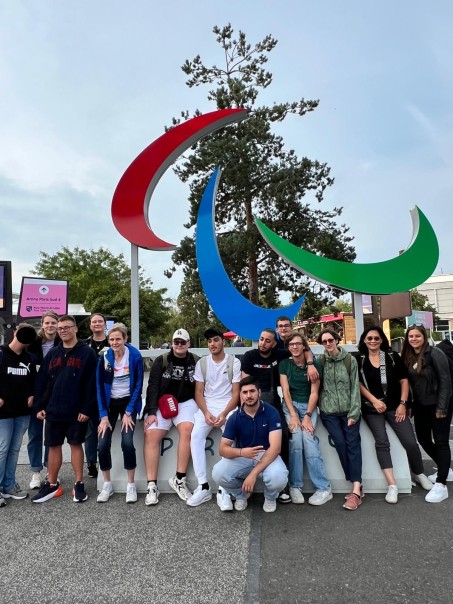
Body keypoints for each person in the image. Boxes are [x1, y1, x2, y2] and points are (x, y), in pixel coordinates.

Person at [241, 327, 319, 504]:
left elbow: (304, 349)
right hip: (252, 401)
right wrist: (243, 407)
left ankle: (283, 485)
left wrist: (311, 363)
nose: (263, 343)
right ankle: (245, 484)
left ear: (274, 343)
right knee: (246, 435)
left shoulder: (280, 354)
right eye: (261, 339)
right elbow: (244, 384)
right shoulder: (249, 356)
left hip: (274, 401)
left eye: (268, 340)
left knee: (284, 435)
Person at [358, 326, 432, 503]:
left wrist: (402, 404)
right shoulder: (359, 359)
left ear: (382, 340)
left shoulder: (391, 357)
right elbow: (358, 384)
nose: (373, 341)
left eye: (376, 338)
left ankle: (419, 472)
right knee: (382, 442)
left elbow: (404, 381)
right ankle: (392, 485)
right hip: (372, 408)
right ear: (364, 341)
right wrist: (375, 401)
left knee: (410, 441)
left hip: (394, 406)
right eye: (370, 339)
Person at [31, 315, 98, 504]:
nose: (63, 331)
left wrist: (86, 408)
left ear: (76, 329)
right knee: (53, 445)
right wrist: (39, 406)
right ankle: (52, 484)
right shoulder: (53, 354)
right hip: (53, 409)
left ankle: (79, 483)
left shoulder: (87, 353)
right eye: (60, 328)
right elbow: (41, 381)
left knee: (76, 444)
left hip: (77, 410)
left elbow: (91, 384)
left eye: (66, 327)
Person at [212, 376, 288, 513]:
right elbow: (222, 449)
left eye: (252, 391)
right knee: (218, 473)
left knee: (279, 477)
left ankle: (270, 497)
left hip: (267, 454)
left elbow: (276, 448)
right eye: (245, 392)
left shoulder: (271, 412)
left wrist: (252, 475)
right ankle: (242, 495)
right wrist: (241, 452)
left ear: (259, 392)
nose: (249, 395)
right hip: (244, 456)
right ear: (240, 395)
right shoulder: (234, 417)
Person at [143, 329, 199, 506]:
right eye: (176, 342)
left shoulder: (196, 361)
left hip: (186, 402)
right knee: (151, 434)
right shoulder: (162, 360)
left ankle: (179, 479)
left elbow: (202, 387)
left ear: (189, 344)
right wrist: (151, 411)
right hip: (163, 402)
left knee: (188, 430)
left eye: (183, 342)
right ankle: (152, 485)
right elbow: (152, 386)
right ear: (172, 343)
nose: (179, 345)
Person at [187, 328, 240, 509]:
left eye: (216, 340)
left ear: (223, 342)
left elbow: (236, 394)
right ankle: (203, 485)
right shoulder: (202, 363)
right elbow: (198, 393)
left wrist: (224, 414)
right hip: (207, 407)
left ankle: (224, 488)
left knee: (231, 440)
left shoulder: (234, 362)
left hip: (228, 407)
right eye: (209, 341)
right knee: (195, 436)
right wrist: (206, 412)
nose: (212, 344)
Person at [279, 330, 332, 506]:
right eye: (291, 344)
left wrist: (308, 416)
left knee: (309, 440)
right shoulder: (285, 364)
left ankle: (324, 488)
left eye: (298, 344)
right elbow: (285, 391)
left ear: (304, 346)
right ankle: (295, 486)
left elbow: (314, 392)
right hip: (290, 406)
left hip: (309, 407)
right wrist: (293, 415)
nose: (294, 347)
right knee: (296, 440)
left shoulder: (314, 366)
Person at [401, 325, 452, 503]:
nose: (413, 339)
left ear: (424, 337)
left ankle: (441, 484)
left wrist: (442, 407)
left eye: (417, 336)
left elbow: (445, 381)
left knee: (441, 441)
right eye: (410, 336)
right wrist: (409, 404)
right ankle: (445, 467)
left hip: (439, 404)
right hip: (421, 406)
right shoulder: (408, 355)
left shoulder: (435, 353)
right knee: (423, 439)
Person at [96, 323, 144, 504]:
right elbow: (99, 387)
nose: (115, 342)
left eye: (118, 339)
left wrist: (129, 411)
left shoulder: (135, 356)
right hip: (109, 404)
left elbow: (139, 385)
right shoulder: (104, 358)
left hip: (128, 402)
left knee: (127, 442)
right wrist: (103, 415)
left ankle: (130, 485)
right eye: (112, 339)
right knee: (102, 444)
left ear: (125, 339)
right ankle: (107, 484)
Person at [316, 328, 363, 510]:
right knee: (341, 445)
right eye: (324, 341)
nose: (328, 344)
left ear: (337, 340)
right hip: (329, 413)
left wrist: (354, 413)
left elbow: (354, 388)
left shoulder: (349, 360)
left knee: (353, 445)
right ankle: (356, 483)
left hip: (348, 411)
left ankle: (356, 489)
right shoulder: (320, 361)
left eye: (330, 340)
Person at [0, 324, 37, 507]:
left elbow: (33, 381)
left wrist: (32, 394)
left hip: (22, 411)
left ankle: (8, 485)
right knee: (2, 449)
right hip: (3, 413)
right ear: (14, 333)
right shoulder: (1, 353)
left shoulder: (30, 358)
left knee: (14, 450)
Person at [27, 310, 60, 489]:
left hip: (54, 395)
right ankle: (35, 472)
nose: (50, 326)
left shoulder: (62, 343)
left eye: (53, 323)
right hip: (36, 394)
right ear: (42, 324)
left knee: (51, 435)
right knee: (35, 435)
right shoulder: (32, 343)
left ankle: (50, 470)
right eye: (47, 323)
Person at [83, 312, 110, 479]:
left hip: (109, 391)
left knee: (106, 428)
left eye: (100, 321)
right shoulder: (84, 344)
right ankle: (91, 462)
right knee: (91, 430)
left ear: (105, 324)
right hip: (90, 391)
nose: (97, 324)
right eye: (94, 322)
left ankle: (105, 459)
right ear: (90, 325)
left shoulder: (113, 341)